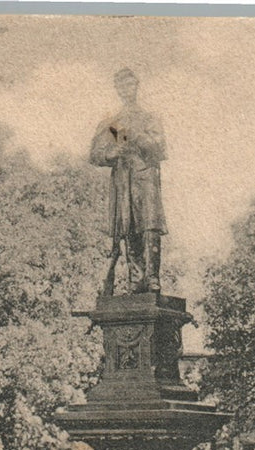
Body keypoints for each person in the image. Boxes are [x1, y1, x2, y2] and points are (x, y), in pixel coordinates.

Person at [89, 68, 167, 294]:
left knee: (150, 226)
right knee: (128, 226)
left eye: (130, 85)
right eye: (121, 86)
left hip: (146, 176)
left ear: (137, 86)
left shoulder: (149, 118)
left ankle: (152, 278)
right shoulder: (113, 123)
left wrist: (136, 135)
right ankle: (136, 279)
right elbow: (95, 153)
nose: (126, 90)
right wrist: (110, 155)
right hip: (124, 178)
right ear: (117, 90)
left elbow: (158, 147)